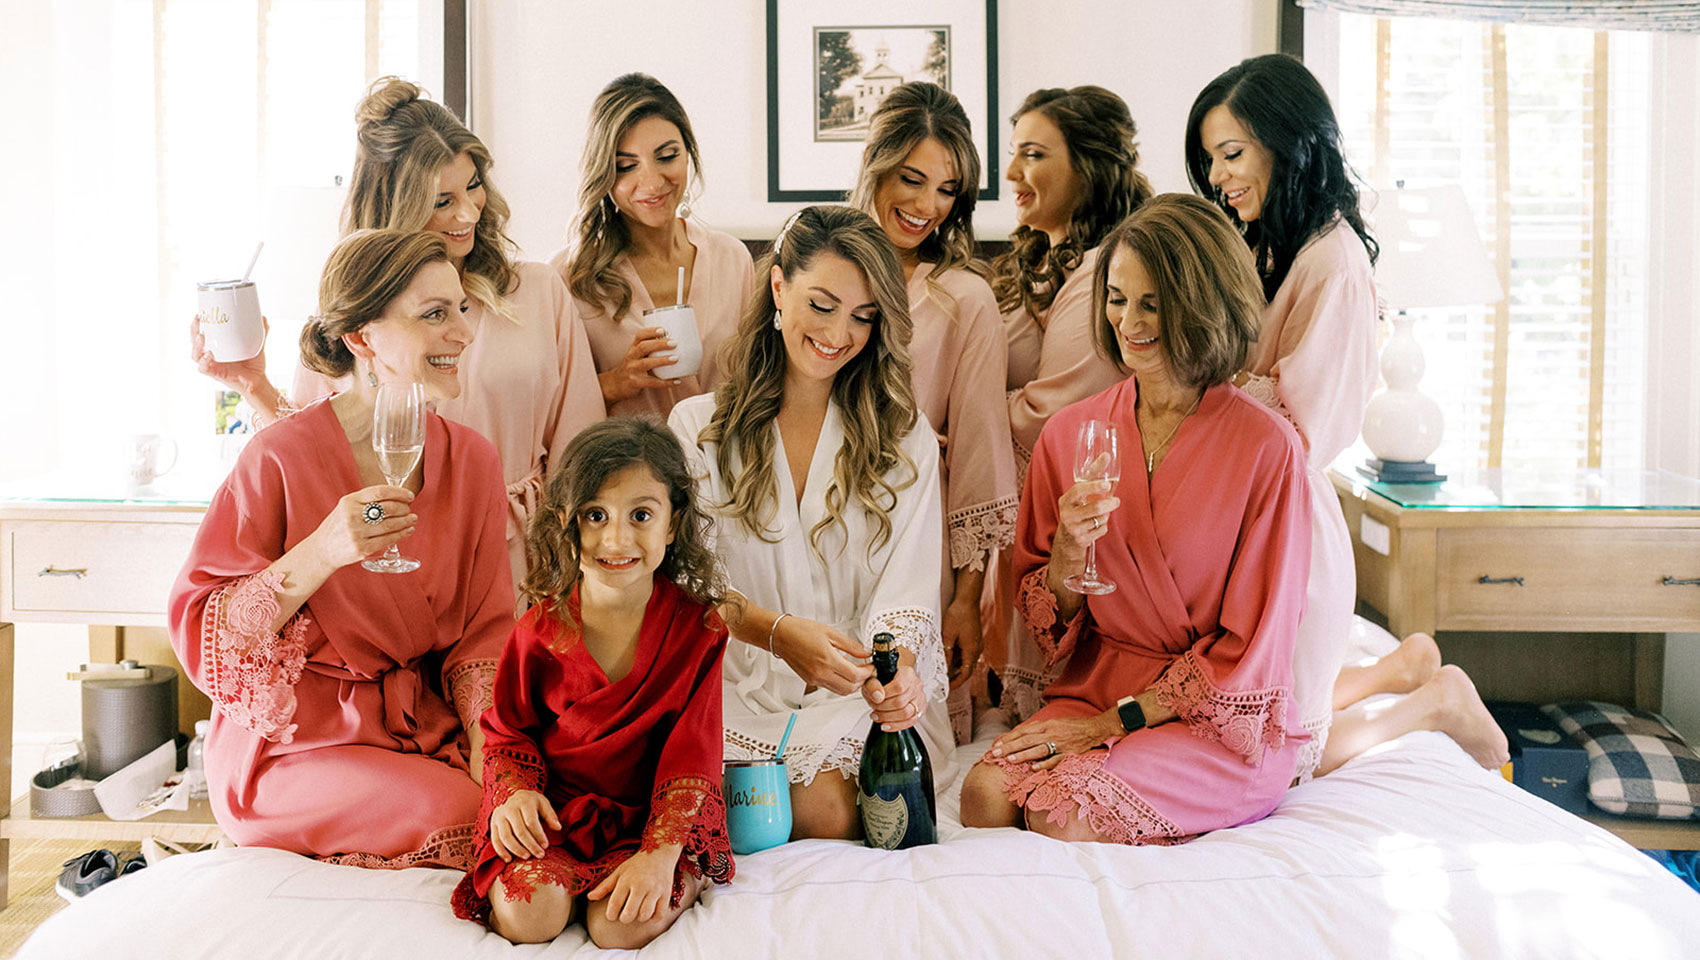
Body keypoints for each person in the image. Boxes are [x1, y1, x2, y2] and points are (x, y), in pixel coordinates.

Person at [1186, 54, 1507, 778]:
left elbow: (1307, 430)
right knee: (1250, 706)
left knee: (1266, 754)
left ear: (1290, 142)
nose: (1218, 177)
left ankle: (1432, 702)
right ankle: (1400, 667)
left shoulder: (1335, 264)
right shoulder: (1278, 246)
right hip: (1252, 520)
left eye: (1232, 154)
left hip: (1286, 527)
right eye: (1210, 160)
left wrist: (1205, 390)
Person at [958, 195, 1311, 843]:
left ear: (1205, 303)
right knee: (982, 798)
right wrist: (1065, 555)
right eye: (1118, 298)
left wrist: (1107, 727)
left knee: (1059, 814)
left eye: (1153, 303)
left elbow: (1252, 648)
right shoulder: (1069, 436)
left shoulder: (1267, 449)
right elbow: (1045, 620)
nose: (1130, 322)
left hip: (1208, 713)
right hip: (1096, 683)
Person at [169, 229, 513, 868]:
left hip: (421, 730)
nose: (463, 333)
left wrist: (491, 757)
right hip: (295, 749)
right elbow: (204, 634)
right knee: (467, 820)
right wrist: (323, 549)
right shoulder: (278, 456)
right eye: (434, 314)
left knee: (541, 801)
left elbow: (483, 639)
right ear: (362, 339)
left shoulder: (473, 461)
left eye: (460, 310)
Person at [192, 76, 605, 584]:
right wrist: (251, 385)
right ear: (396, 206)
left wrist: (575, 571)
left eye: (473, 186)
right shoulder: (355, 313)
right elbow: (313, 461)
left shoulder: (539, 291)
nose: (468, 212)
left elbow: (583, 444)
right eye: (441, 200)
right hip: (393, 559)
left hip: (527, 556)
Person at [668, 205, 949, 841]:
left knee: (828, 808)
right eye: (822, 305)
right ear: (777, 287)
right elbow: (687, 589)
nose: (839, 333)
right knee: (698, 792)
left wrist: (897, 675)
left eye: (864, 316)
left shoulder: (907, 441)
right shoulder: (696, 430)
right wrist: (776, 634)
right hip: (733, 680)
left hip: (854, 693)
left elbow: (905, 600)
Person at [450, 418, 733, 948]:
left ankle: (677, 873)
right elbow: (508, 735)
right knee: (529, 917)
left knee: (620, 929)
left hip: (651, 821)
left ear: (673, 524)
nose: (616, 539)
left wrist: (659, 855)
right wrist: (515, 798)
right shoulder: (537, 630)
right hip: (556, 818)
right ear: (565, 522)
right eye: (595, 515)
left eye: (641, 515)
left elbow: (694, 755)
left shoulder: (701, 631)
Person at [847, 81, 1017, 744]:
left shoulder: (965, 299)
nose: (925, 206)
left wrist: (966, 600)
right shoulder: (814, 264)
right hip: (813, 531)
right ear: (874, 163)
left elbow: (979, 455)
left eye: (946, 190)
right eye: (911, 179)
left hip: (914, 541)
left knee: (904, 739)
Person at [984, 85, 1155, 723]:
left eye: (1032, 154)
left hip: (1077, 505)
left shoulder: (1106, 272)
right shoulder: (1056, 262)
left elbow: (1053, 413)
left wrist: (959, 421)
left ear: (1086, 166)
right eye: (1014, 153)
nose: (1010, 174)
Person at [554, 73, 756, 418]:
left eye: (666, 156)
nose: (651, 182)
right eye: (626, 166)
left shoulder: (732, 259)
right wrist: (617, 382)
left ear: (688, 155)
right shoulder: (569, 277)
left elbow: (759, 379)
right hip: (626, 467)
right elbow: (546, 406)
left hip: (725, 465)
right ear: (604, 175)